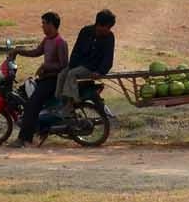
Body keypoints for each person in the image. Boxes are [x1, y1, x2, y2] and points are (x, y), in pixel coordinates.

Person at [9, 11, 67, 146]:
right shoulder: (47, 40)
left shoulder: (60, 42)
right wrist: (18, 51)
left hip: (54, 81)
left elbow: (64, 66)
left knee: (31, 105)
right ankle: (38, 130)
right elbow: (36, 52)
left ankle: (23, 139)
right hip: (45, 79)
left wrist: (45, 66)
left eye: (44, 23)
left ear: (51, 24)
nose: (42, 26)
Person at [57, 8, 116, 107]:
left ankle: (72, 103)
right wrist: (71, 64)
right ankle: (58, 102)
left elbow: (108, 58)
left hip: (92, 67)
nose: (109, 30)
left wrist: (100, 71)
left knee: (71, 74)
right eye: (108, 27)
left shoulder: (109, 37)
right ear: (99, 25)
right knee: (61, 75)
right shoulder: (85, 31)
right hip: (79, 64)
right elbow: (76, 49)